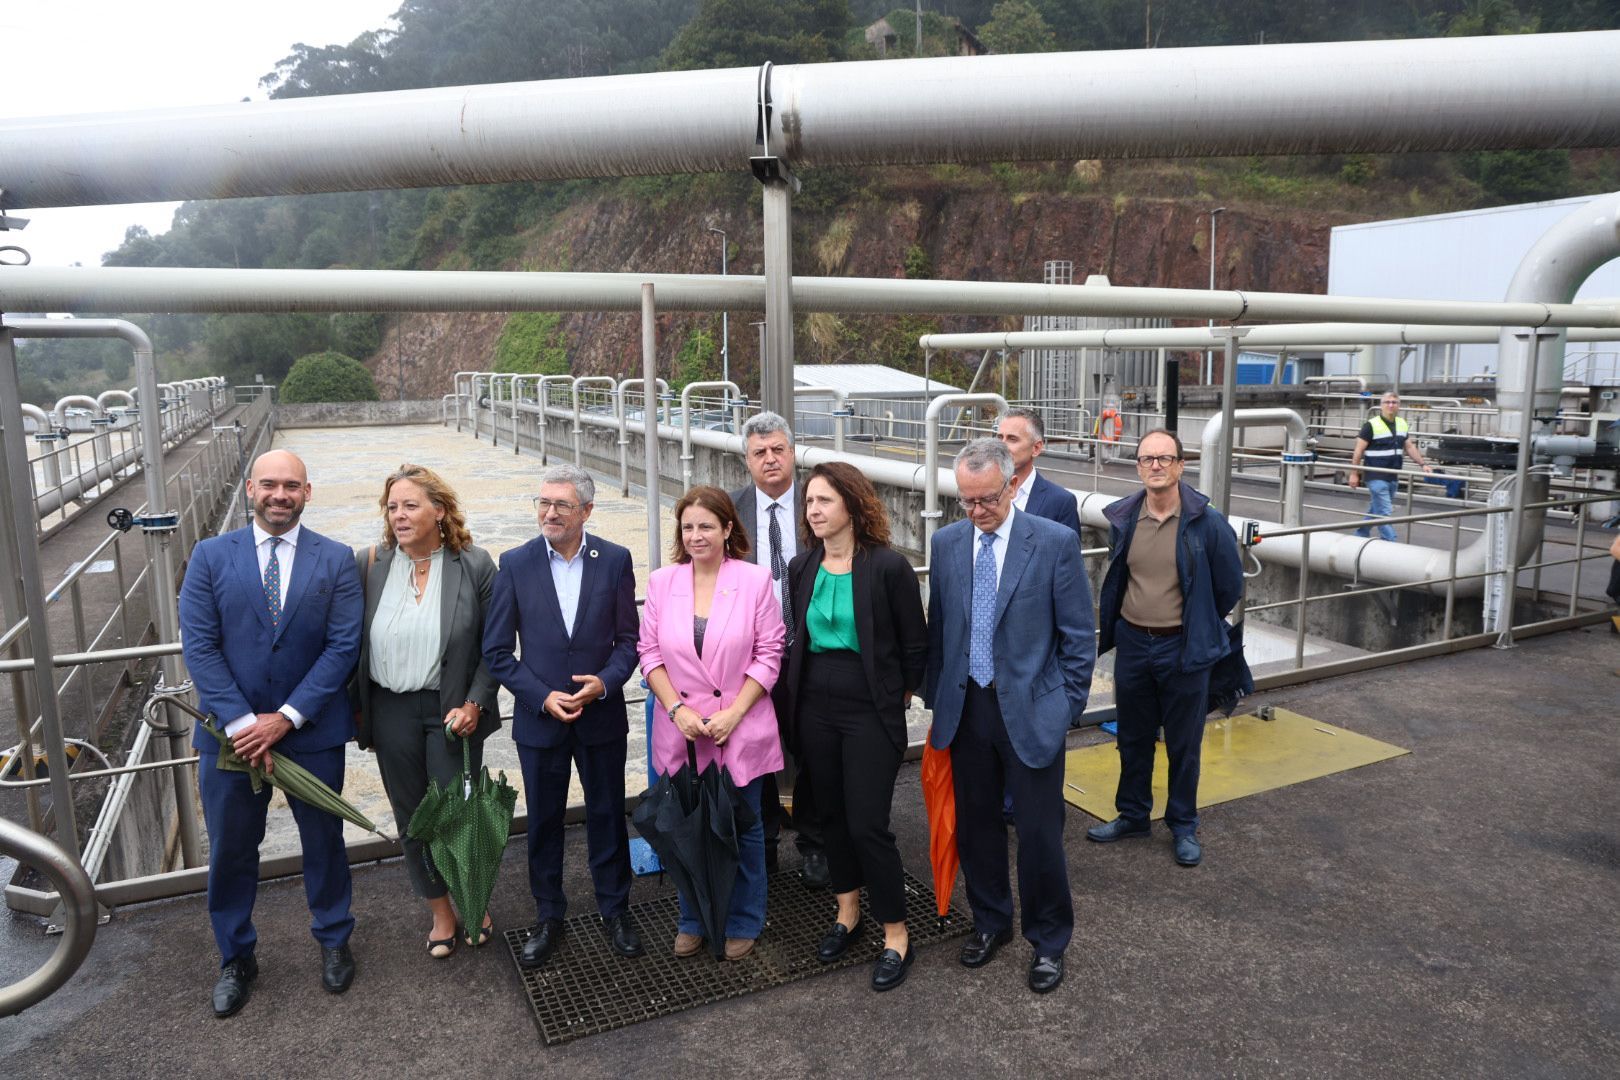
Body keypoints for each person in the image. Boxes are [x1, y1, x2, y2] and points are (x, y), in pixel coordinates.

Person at [178, 449, 362, 1018]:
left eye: (291, 486)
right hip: (229, 740)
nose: (279, 495)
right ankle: (235, 957)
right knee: (232, 850)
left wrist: (285, 717)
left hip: (311, 733)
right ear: (251, 489)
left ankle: (334, 940)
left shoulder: (336, 560)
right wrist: (241, 723)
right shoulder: (209, 556)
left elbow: (343, 646)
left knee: (325, 845)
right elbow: (200, 645)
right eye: (269, 485)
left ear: (308, 492)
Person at [922, 438, 1095, 995]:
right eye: (966, 501)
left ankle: (1049, 941)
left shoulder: (1053, 543)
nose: (976, 512)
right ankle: (991, 921)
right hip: (967, 708)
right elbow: (940, 628)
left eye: (986, 500)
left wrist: (1065, 706)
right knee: (976, 828)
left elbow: (1078, 638)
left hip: (1031, 712)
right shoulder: (948, 543)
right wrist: (936, 696)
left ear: (1013, 484)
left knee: (1041, 835)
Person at [483, 464, 643, 968]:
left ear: (587, 511)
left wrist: (605, 683)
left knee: (606, 815)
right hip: (540, 719)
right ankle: (548, 915)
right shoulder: (514, 562)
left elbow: (629, 641)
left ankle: (615, 910)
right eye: (543, 503)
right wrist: (541, 696)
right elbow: (497, 652)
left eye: (562, 505)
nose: (549, 513)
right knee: (545, 822)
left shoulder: (615, 560)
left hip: (600, 715)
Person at [781, 463, 928, 991]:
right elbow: (794, 640)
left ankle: (895, 933)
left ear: (852, 504)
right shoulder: (802, 567)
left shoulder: (888, 568)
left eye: (823, 501)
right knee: (830, 817)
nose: (813, 511)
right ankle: (847, 913)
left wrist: (899, 696)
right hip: (814, 702)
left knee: (868, 823)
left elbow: (915, 644)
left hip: (869, 706)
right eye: (809, 503)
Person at [351, 464, 499, 957]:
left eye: (411, 505)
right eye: (392, 507)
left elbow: (493, 648)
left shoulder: (474, 565)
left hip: (452, 709)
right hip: (390, 710)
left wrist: (476, 702)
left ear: (440, 510)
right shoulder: (368, 565)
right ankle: (441, 912)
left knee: (457, 811)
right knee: (413, 816)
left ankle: (472, 899)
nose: (399, 515)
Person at [639, 486, 786, 961]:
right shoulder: (662, 582)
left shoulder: (756, 580)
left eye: (706, 526)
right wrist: (677, 710)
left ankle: (744, 917)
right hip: (682, 729)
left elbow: (769, 653)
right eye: (687, 527)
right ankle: (692, 917)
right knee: (686, 825)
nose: (696, 535)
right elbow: (650, 654)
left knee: (741, 824)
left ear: (727, 529)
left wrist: (735, 712)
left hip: (737, 725)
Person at [1087, 429, 1244, 868]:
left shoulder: (1206, 522)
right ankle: (1133, 814)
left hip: (1183, 647)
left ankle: (1182, 824)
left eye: (1164, 458)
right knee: (1133, 737)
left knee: (1183, 743)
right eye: (1146, 459)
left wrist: (1192, 621)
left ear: (1180, 465)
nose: (1155, 465)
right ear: (1138, 466)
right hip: (1135, 644)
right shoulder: (1124, 518)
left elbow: (1229, 586)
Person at [729, 410, 828, 887]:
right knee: (753, 751)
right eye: (759, 453)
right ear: (746, 461)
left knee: (812, 749)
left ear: (792, 453)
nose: (770, 459)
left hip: (812, 650)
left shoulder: (821, 502)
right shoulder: (729, 510)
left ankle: (813, 841)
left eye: (777, 450)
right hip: (749, 657)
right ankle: (762, 842)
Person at [1349, 391, 1433, 541]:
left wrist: (1423, 464)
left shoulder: (1401, 423)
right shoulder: (1371, 425)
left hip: (1392, 475)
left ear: (1399, 406)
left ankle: (1361, 534)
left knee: (1377, 508)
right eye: (1387, 402)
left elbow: (1409, 447)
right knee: (1385, 511)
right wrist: (1354, 473)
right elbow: (1358, 450)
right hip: (1375, 475)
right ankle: (1391, 541)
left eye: (1394, 402)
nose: (1391, 405)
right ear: (1381, 405)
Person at [997, 407, 1082, 536]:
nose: (1001, 446)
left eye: (1012, 439)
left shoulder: (1060, 502)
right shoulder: (981, 491)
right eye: (999, 437)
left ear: (1036, 448)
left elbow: (1068, 553)